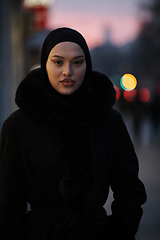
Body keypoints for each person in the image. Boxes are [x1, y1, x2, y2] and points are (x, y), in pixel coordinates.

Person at [0, 27, 147, 240]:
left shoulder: (109, 121)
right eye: (58, 62)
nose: (67, 71)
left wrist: (118, 230)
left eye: (77, 62)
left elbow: (130, 188)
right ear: (45, 65)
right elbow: (8, 206)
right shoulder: (19, 125)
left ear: (87, 65)